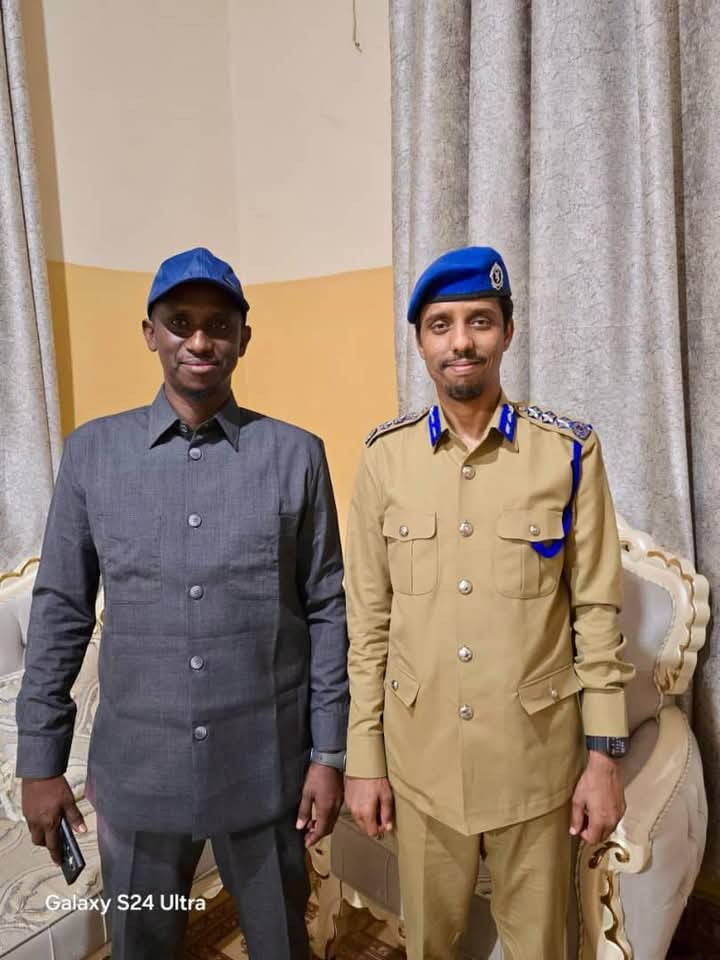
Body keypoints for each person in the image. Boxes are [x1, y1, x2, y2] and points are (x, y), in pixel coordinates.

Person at [16, 247, 349, 960]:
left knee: (280, 945)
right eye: (180, 323)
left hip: (266, 772)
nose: (200, 341)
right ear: (151, 333)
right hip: (141, 778)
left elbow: (326, 610)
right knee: (143, 944)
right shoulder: (91, 455)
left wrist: (328, 753)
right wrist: (39, 761)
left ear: (243, 338)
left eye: (218, 325)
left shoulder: (296, 455)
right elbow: (61, 610)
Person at [343, 246, 635, 959]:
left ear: (508, 331)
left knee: (541, 949)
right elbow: (368, 624)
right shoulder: (384, 458)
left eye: (479, 320)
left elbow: (597, 613)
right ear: (420, 342)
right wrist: (364, 756)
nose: (461, 341)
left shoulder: (568, 451)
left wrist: (604, 758)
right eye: (440, 325)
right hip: (422, 765)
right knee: (430, 947)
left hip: (534, 762)